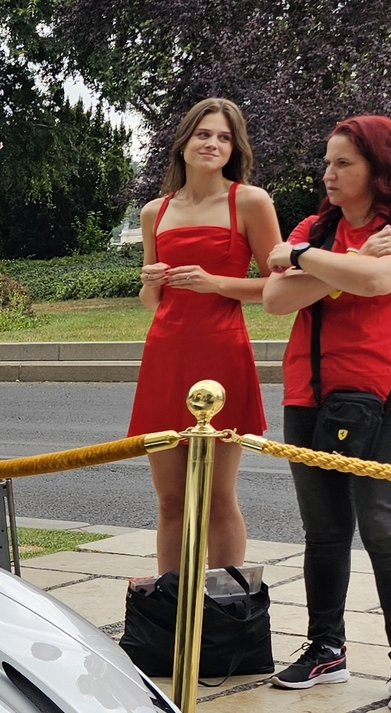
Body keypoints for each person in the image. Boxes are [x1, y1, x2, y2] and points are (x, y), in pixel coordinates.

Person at [260, 116, 391, 713]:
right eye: (328, 162)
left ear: (377, 169)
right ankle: (325, 649)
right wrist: (345, 260)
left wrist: (308, 259)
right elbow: (274, 298)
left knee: (388, 529)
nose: (328, 174)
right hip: (310, 392)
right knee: (325, 530)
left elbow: (383, 278)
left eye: (344, 164)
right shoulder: (316, 226)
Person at [129, 98, 281, 578]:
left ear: (234, 148)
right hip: (165, 356)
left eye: (223, 137)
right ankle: (169, 607)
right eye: (203, 134)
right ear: (184, 142)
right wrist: (152, 280)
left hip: (222, 354)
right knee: (171, 501)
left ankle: (227, 607)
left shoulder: (250, 201)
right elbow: (152, 302)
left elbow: (278, 286)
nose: (212, 144)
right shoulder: (156, 210)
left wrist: (217, 283)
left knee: (217, 498)